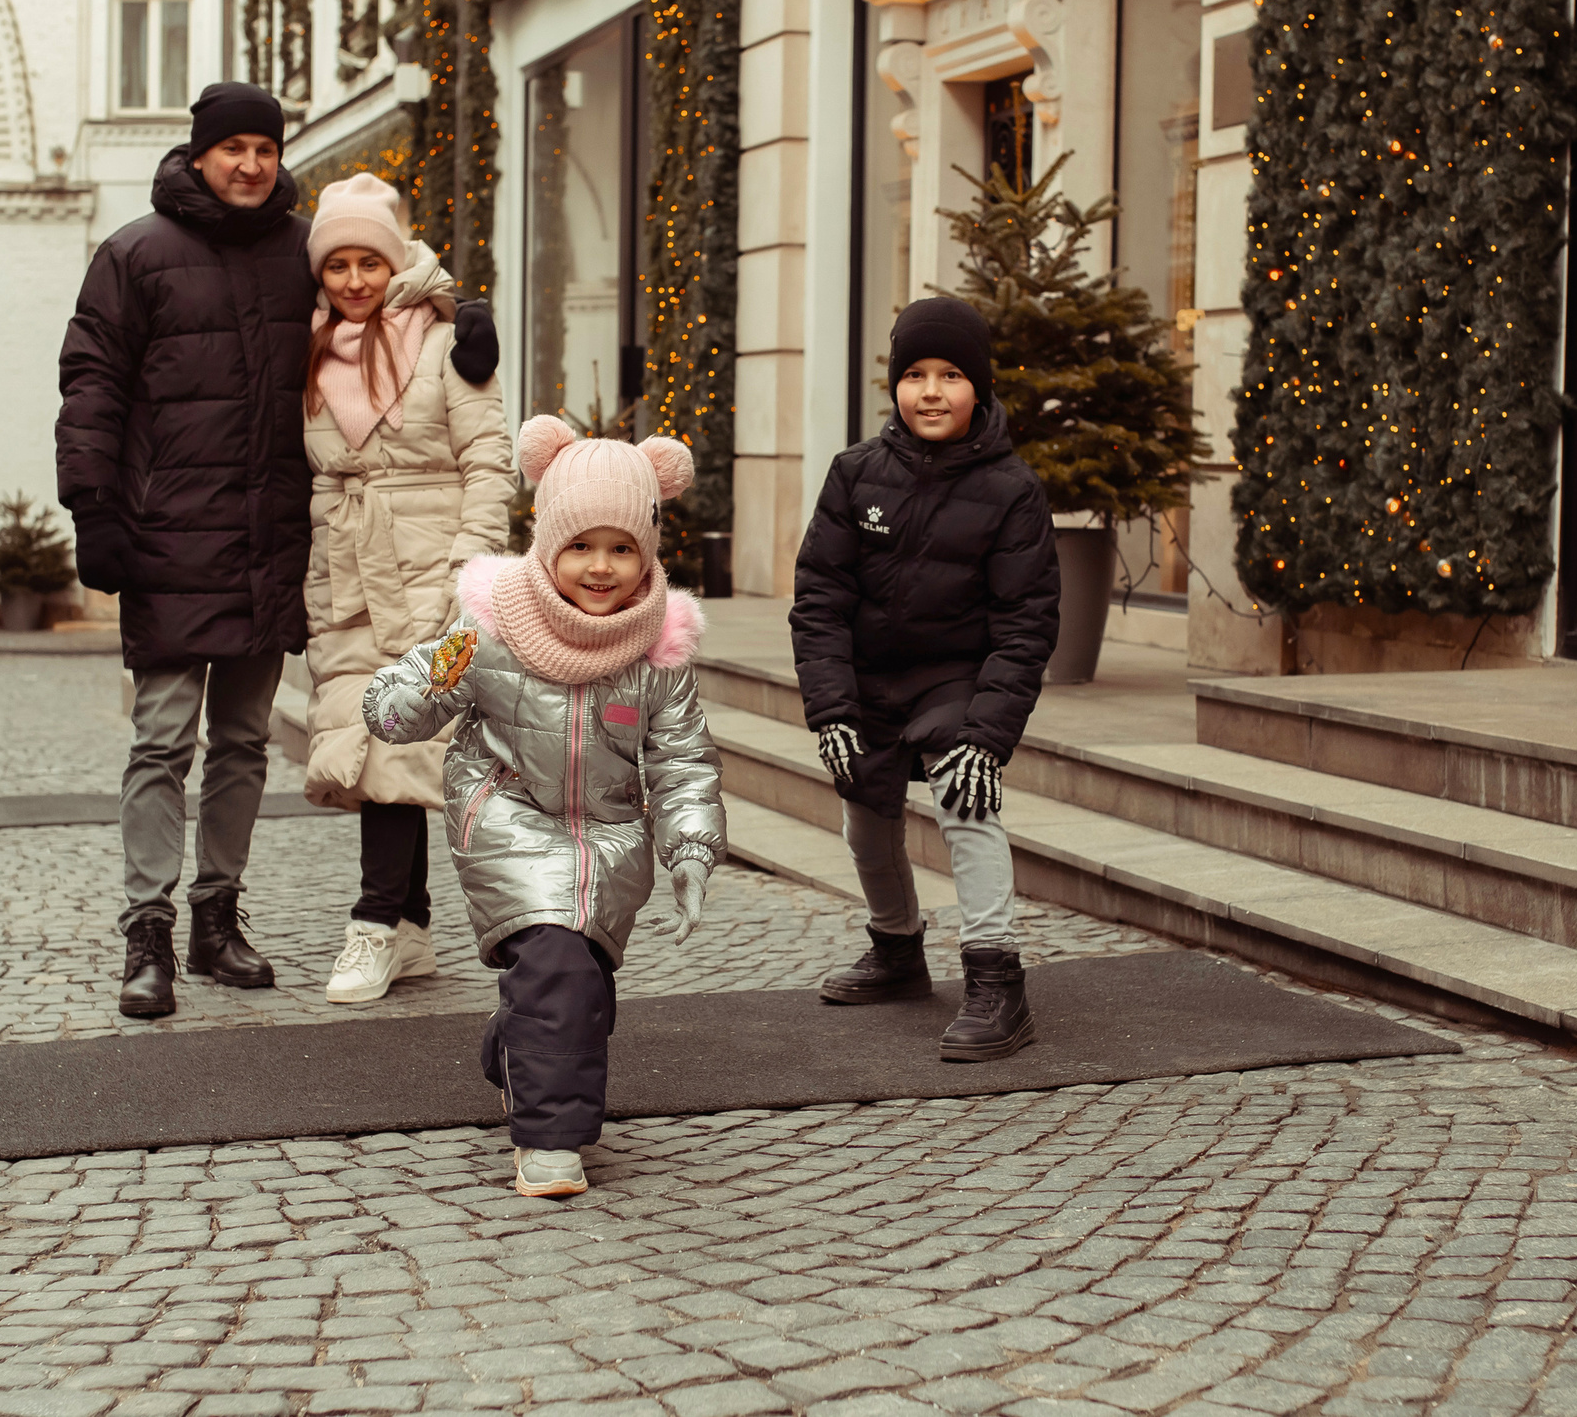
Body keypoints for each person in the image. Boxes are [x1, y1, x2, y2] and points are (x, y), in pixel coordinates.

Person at [364, 417, 723, 1197]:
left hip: (611, 838)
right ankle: (552, 1140)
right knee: (557, 960)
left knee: (578, 984)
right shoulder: (492, 625)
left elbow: (683, 759)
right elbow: (415, 697)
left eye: (622, 548)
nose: (601, 567)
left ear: (649, 551)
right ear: (547, 540)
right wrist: (406, 696)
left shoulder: (658, 648)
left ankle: (513, 1049)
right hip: (508, 817)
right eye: (581, 545)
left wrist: (691, 848)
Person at [57, 81, 316, 1020]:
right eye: (234, 147)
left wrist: (466, 317)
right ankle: (149, 929)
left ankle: (218, 918)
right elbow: (91, 381)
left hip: (266, 534)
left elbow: (391, 289)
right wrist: (93, 506)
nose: (252, 164)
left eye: (266, 148)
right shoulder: (135, 254)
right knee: (163, 739)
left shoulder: (306, 250)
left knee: (245, 740)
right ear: (199, 153)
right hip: (168, 533)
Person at [789, 295, 1060, 1062]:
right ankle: (898, 950)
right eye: (914, 374)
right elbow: (820, 601)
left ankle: (996, 979)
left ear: (979, 388)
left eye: (950, 374)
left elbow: (1027, 621)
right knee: (864, 820)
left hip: (959, 678)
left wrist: (986, 732)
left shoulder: (1013, 491)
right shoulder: (854, 475)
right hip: (872, 681)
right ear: (895, 384)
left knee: (966, 801)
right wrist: (831, 708)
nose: (931, 390)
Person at [299, 172, 511, 1005]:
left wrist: (467, 572)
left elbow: (489, 466)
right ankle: (413, 927)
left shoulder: (447, 342)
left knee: (397, 738)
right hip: (347, 575)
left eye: (370, 262)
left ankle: (375, 921)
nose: (354, 281)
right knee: (377, 745)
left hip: (432, 575)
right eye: (337, 265)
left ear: (398, 263)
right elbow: (315, 478)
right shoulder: (310, 349)